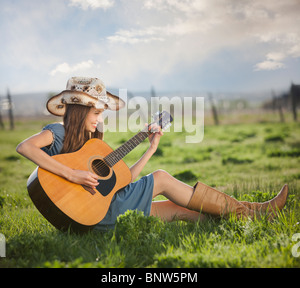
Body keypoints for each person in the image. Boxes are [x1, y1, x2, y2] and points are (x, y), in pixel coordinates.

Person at [17, 77, 288, 230]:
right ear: (79, 110)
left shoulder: (94, 141)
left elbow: (121, 180)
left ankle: (250, 214)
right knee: (161, 178)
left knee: (179, 209)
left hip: (106, 207)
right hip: (93, 214)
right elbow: (25, 147)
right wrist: (72, 174)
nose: (100, 119)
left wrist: (150, 149)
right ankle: (252, 212)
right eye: (97, 113)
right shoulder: (57, 132)